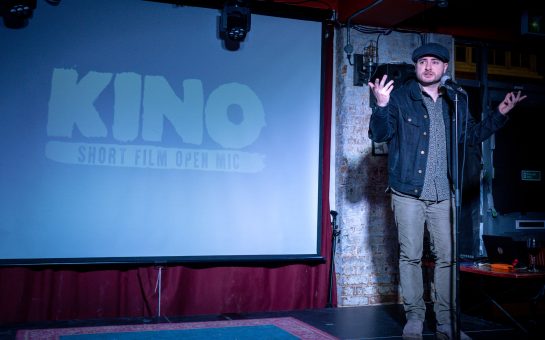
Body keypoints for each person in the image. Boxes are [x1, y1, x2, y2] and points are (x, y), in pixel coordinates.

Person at [367, 42, 526, 340]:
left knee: (447, 259)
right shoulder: (400, 98)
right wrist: (382, 105)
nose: (428, 66)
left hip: (444, 194)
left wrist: (501, 112)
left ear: (445, 68)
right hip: (407, 192)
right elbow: (380, 134)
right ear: (416, 68)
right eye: (423, 61)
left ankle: (446, 322)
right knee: (410, 256)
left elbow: (472, 135)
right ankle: (414, 318)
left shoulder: (456, 100)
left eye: (435, 62)